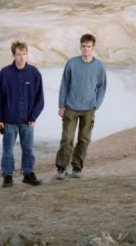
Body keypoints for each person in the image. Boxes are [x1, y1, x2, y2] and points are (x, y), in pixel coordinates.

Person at [0, 41, 44, 188]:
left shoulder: (34, 73)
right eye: (18, 54)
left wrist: (34, 117)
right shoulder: (5, 73)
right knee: (8, 150)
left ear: (27, 54)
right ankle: (7, 176)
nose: (21, 57)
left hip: (27, 121)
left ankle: (28, 174)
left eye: (24, 54)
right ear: (13, 55)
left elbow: (40, 98)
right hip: (9, 120)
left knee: (28, 149)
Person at [55, 33, 107, 179]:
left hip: (89, 109)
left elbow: (102, 87)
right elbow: (64, 85)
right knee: (67, 139)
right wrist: (61, 105)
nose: (86, 49)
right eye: (83, 46)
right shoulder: (72, 63)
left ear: (93, 48)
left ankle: (77, 167)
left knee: (84, 139)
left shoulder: (99, 66)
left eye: (89, 46)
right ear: (80, 46)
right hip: (71, 107)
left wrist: (96, 104)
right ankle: (61, 168)